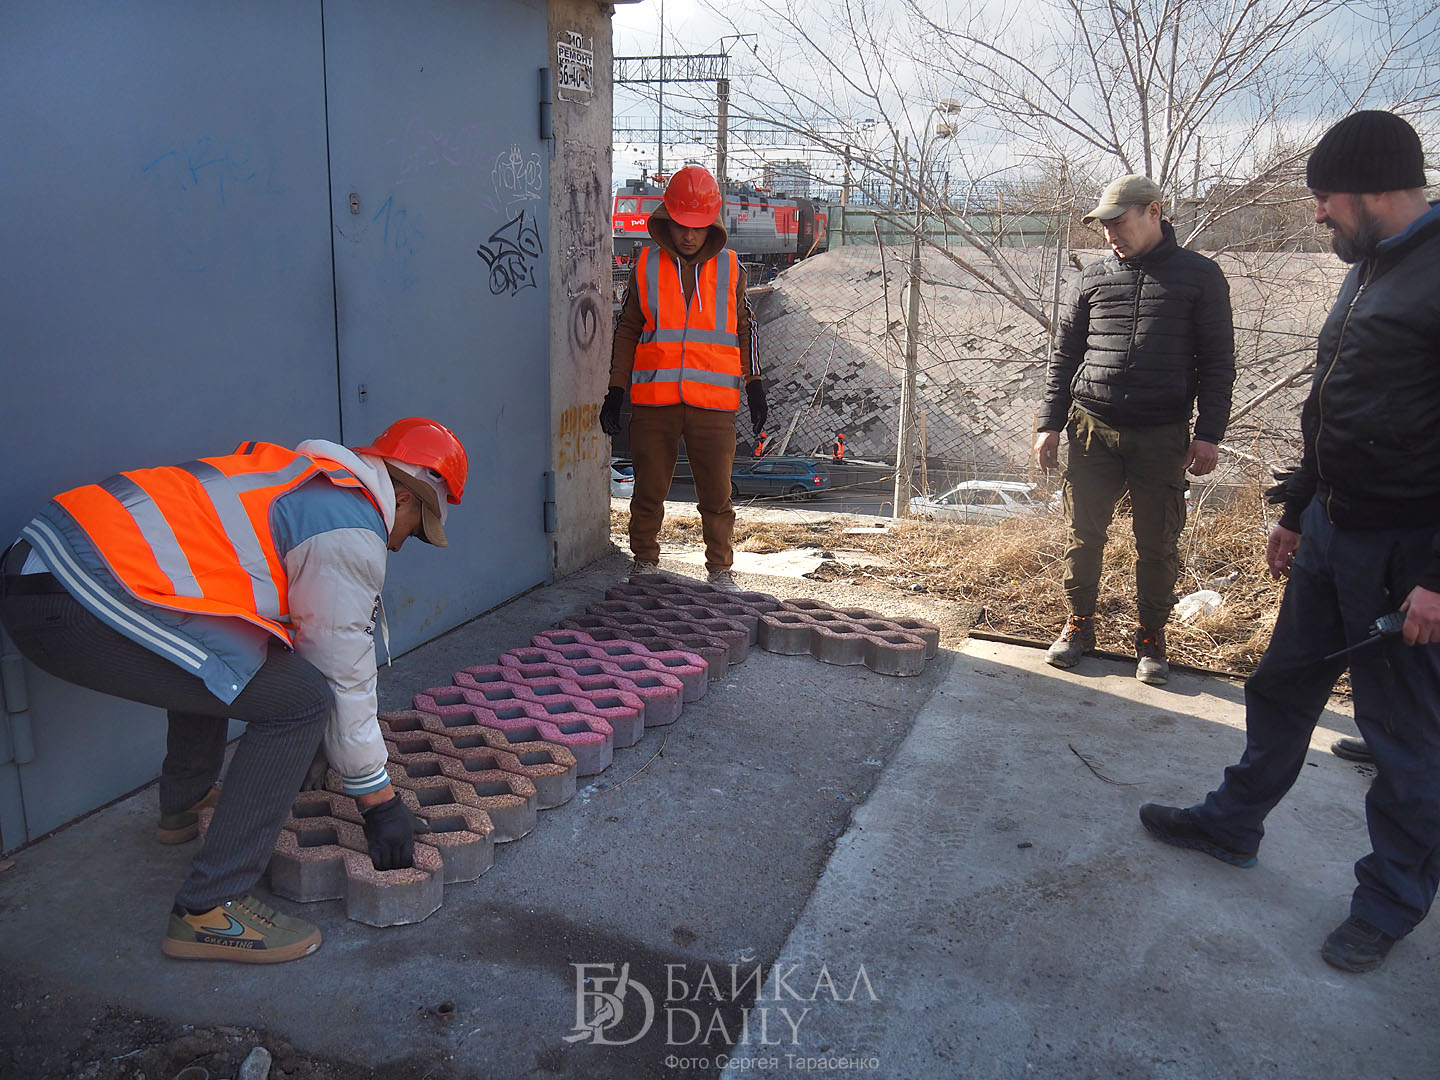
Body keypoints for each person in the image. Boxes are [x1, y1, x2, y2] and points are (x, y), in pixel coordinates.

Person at [1139, 110, 1440, 973]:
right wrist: (1298, 510)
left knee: (1402, 739)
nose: (1317, 215)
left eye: (1326, 199)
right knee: (1281, 687)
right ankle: (1232, 824)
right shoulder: (1371, 268)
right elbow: (1330, 407)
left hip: (1406, 552)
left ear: (1374, 190)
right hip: (1332, 531)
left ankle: (1388, 905)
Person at [0, 417, 467, 963]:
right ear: (405, 496)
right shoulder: (348, 523)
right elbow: (341, 669)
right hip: (74, 588)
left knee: (229, 655)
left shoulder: (308, 480)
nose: (403, 542)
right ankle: (209, 907)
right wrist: (377, 799)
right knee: (300, 702)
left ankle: (185, 804)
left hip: (44, 563)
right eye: (415, 529)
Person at [1034, 174, 1235, 685]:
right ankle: (1079, 624)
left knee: (1157, 542)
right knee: (1083, 536)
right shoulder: (1094, 277)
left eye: (1119, 223)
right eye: (1104, 227)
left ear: (1154, 212)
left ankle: (1151, 637)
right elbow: (1064, 356)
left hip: (1161, 434)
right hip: (1091, 429)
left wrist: (1209, 433)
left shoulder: (1200, 277)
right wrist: (1049, 423)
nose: (1110, 235)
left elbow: (1218, 363)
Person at [599, 165, 766, 592]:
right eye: (680, 225)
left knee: (717, 495)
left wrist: (755, 383)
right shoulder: (645, 266)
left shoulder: (730, 268)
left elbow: (746, 326)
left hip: (714, 405)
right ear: (666, 219)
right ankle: (644, 563)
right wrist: (616, 389)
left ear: (711, 224)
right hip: (655, 402)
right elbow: (627, 328)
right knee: (648, 491)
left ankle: (720, 570)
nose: (688, 235)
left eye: (698, 226)